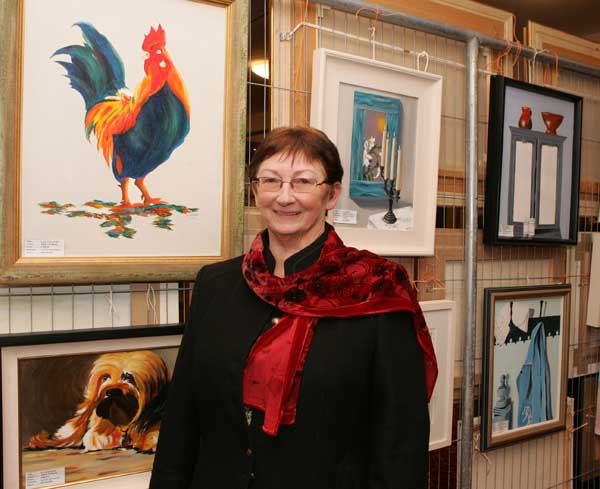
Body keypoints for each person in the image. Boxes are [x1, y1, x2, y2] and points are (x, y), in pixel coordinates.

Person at [149, 127, 437, 489]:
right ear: (255, 191)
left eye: (302, 182)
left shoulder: (377, 290)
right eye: (271, 181)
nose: (285, 197)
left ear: (332, 194)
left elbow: (400, 440)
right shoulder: (215, 285)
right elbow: (182, 419)